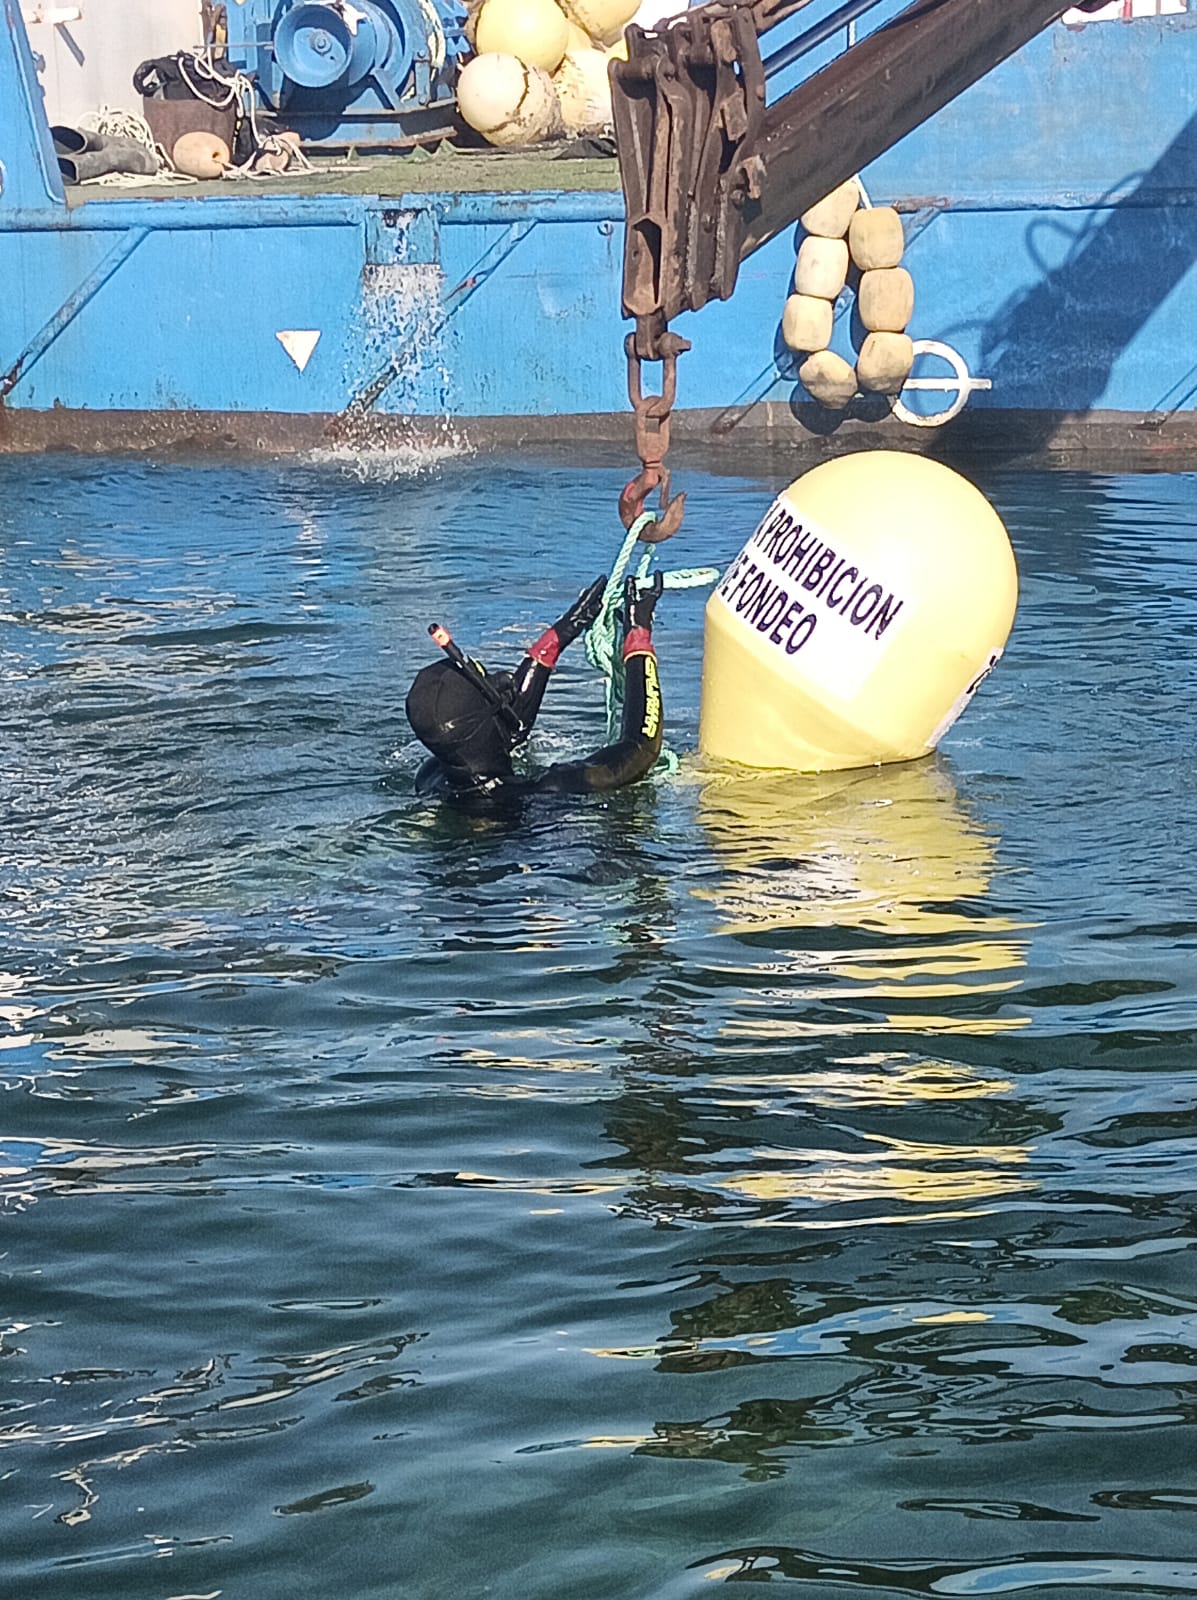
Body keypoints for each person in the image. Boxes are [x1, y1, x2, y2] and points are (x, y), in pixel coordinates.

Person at [406, 573, 664, 797]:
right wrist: (639, 635)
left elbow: (508, 729)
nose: (505, 682)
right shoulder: (550, 789)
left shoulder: (430, 778)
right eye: (490, 688)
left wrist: (566, 628)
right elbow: (640, 747)